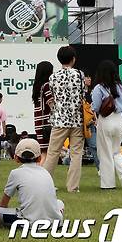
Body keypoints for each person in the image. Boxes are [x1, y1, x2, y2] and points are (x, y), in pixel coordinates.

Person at [0, 138, 64, 227]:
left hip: (28, 222)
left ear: (16, 158)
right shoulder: (45, 172)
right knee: (59, 203)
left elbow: (4, 203)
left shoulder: (15, 173)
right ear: (39, 158)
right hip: (54, 222)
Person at [43, 46, 85, 193]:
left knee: (53, 152)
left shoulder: (53, 77)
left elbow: (53, 96)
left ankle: (44, 184)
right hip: (77, 120)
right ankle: (73, 187)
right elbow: (82, 95)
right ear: (73, 59)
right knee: (76, 154)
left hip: (59, 119)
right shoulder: (79, 74)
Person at [91, 60, 122, 189]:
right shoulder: (120, 87)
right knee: (116, 151)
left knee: (105, 153)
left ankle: (108, 184)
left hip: (106, 119)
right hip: (119, 119)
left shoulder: (99, 88)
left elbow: (96, 107)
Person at [32, 61, 54, 165]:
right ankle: (41, 171)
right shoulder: (46, 86)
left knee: (43, 151)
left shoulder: (37, 86)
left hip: (39, 122)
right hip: (46, 122)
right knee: (47, 152)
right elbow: (51, 104)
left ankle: (38, 170)